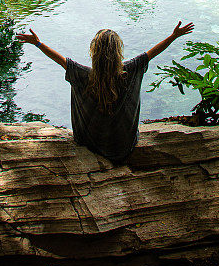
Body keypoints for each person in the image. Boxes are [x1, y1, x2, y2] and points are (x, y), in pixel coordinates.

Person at [16, 20, 194, 165]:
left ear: (95, 52)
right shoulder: (129, 71)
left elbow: (60, 60)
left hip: (88, 143)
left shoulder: (83, 75)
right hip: (123, 146)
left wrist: (38, 43)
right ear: (118, 52)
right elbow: (152, 53)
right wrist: (173, 36)